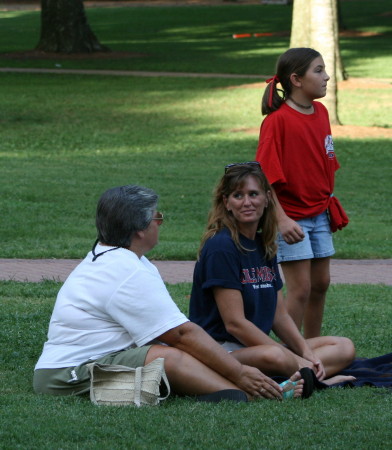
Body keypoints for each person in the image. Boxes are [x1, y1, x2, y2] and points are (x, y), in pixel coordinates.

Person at [33, 184, 311, 402]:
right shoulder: (124, 269)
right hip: (67, 375)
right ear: (140, 229)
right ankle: (256, 395)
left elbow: (176, 334)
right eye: (157, 217)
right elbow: (180, 334)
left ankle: (255, 385)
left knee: (181, 355)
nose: (160, 223)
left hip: (99, 361)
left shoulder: (125, 259)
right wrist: (240, 373)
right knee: (168, 357)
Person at [189, 163, 355, 384]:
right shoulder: (221, 247)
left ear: (267, 199)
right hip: (221, 351)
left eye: (253, 194)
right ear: (226, 202)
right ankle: (311, 378)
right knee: (275, 355)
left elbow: (280, 315)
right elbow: (235, 324)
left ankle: (301, 373)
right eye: (238, 195)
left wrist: (306, 352)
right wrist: (289, 356)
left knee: (343, 347)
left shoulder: (262, 244)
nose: (247, 202)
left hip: (254, 349)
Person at [255, 48, 348, 339]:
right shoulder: (276, 121)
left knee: (321, 283)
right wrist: (281, 220)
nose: (327, 76)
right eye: (318, 70)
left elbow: (325, 156)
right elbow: (264, 176)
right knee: (300, 289)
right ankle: (290, 359)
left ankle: (313, 348)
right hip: (291, 218)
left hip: (319, 212)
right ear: (296, 79)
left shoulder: (320, 112)